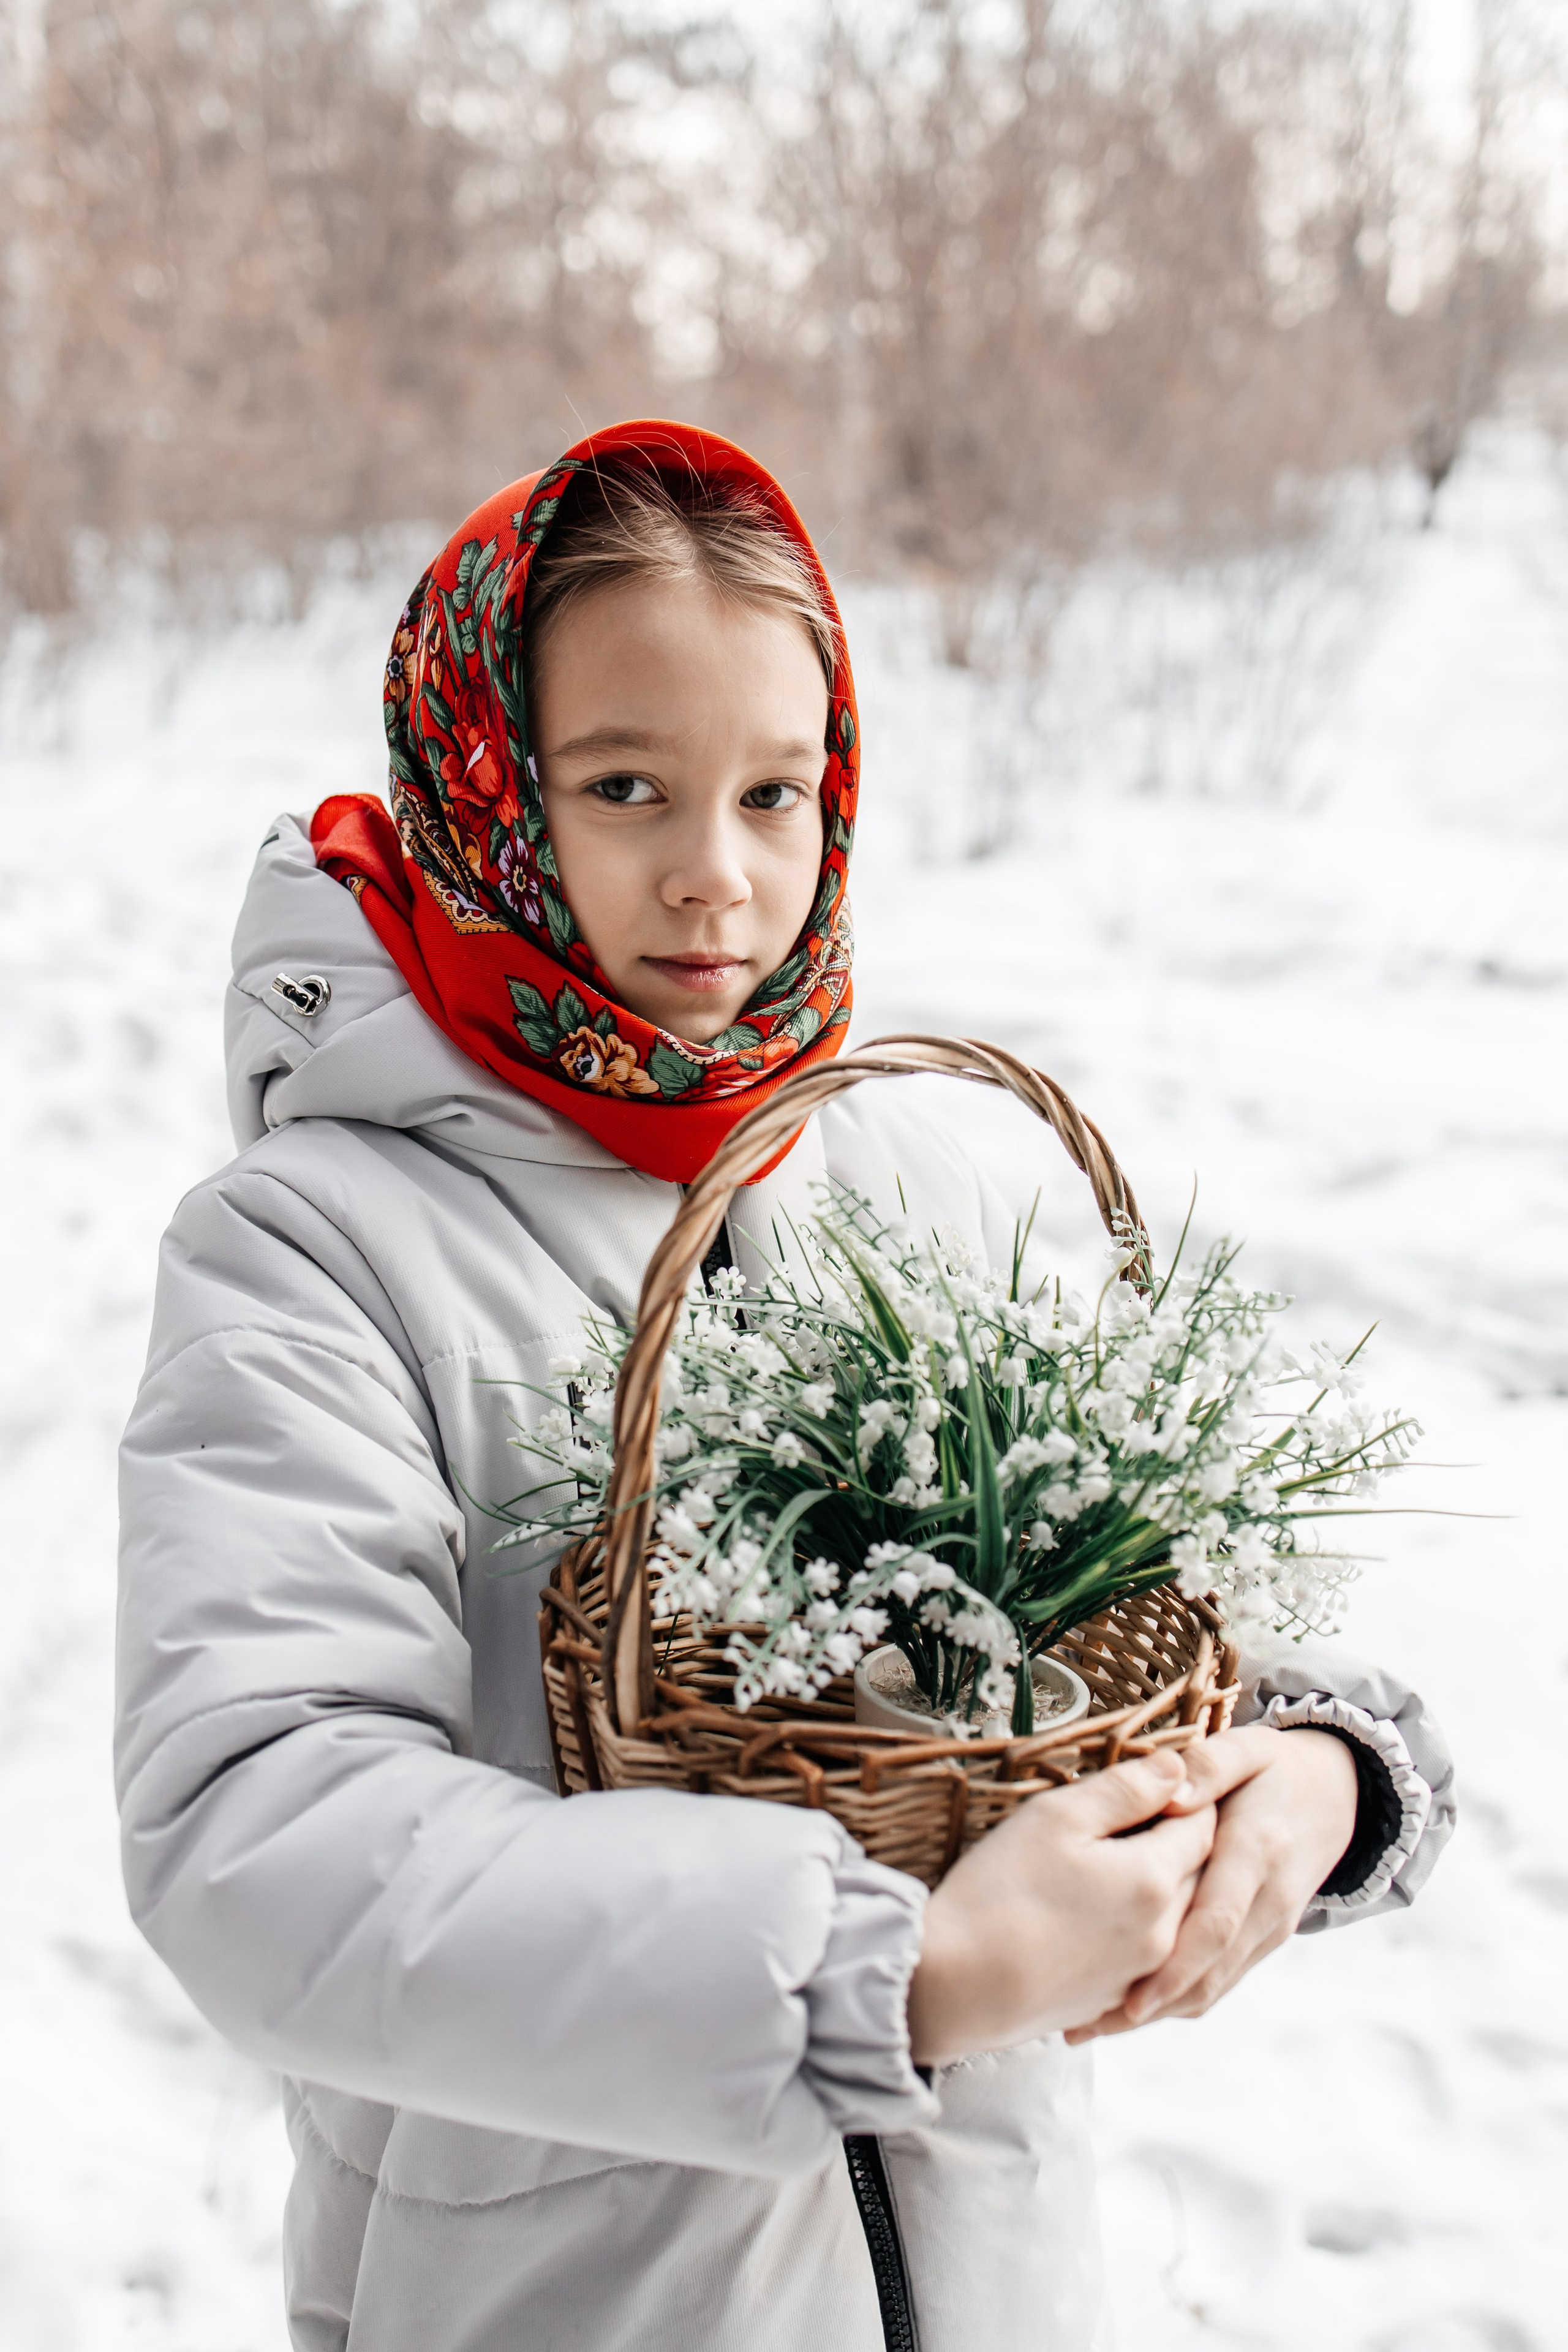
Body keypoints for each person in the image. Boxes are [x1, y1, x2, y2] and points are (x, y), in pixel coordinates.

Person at [116, 421, 1453, 2352]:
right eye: (628, 787)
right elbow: (259, 1832)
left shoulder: (911, 1176)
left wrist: (1317, 1776)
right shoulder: (322, 1247)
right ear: (486, 787)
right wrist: (880, 1977)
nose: (717, 882)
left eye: (775, 791)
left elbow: (1158, 1602)